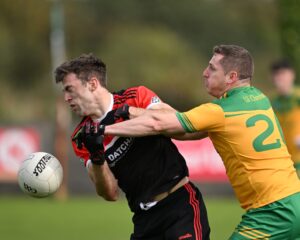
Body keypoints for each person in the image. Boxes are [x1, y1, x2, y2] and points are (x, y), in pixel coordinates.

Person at [103, 45, 300, 239]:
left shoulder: (218, 111)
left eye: (213, 68)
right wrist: (133, 112)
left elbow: (158, 124)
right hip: (294, 199)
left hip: (272, 211)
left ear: (231, 77)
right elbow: (184, 127)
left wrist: (103, 129)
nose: (205, 73)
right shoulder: (260, 98)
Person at [54, 54, 210, 240]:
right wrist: (97, 155)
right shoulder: (81, 136)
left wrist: (127, 115)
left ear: (93, 84)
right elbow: (109, 193)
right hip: (144, 220)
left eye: (70, 89)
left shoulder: (135, 97)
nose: (66, 98)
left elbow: (177, 124)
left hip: (179, 206)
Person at [270, 59, 300, 178]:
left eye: (283, 74)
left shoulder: (298, 96)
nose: (279, 78)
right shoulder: (272, 101)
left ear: (292, 75)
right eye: (276, 74)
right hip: (284, 160)